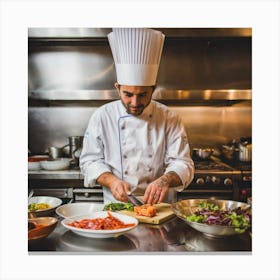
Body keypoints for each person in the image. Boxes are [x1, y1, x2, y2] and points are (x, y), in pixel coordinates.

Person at [80, 28, 194, 205]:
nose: (135, 102)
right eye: (128, 94)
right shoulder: (102, 116)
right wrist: (111, 180)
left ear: (153, 89)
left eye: (142, 95)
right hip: (117, 207)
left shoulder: (169, 118)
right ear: (117, 88)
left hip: (160, 207)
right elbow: (90, 161)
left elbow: (183, 163)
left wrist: (165, 180)